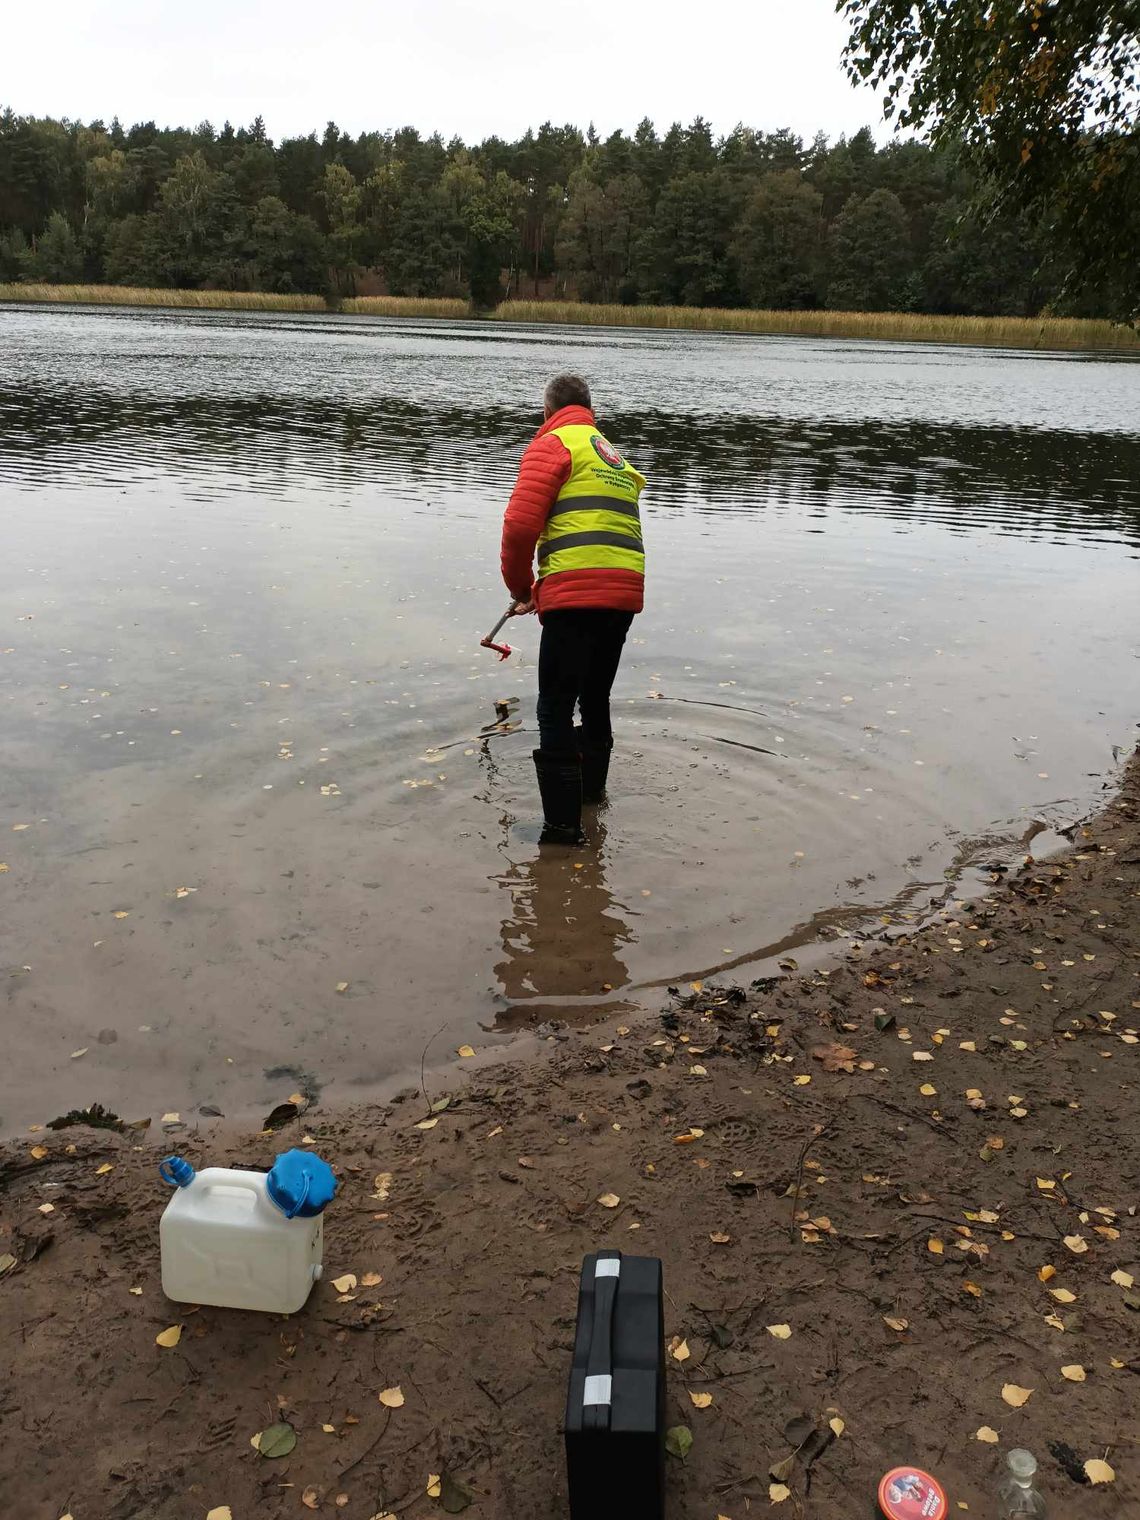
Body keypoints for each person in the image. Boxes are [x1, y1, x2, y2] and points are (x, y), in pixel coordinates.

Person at [500, 374, 647, 844]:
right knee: (595, 696)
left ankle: (562, 832)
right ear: (591, 410)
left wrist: (524, 588)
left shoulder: (553, 444)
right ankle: (590, 800)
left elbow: (520, 528)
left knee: (555, 706)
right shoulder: (614, 457)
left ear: (546, 412)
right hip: (622, 593)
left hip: (576, 597)